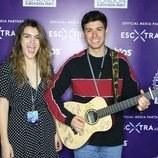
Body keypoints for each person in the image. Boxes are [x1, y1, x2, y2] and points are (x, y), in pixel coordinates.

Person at [44, 11, 150, 158]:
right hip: (82, 140)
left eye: (99, 29)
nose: (94, 35)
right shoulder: (74, 63)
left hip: (113, 141)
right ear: (83, 33)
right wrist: (69, 119)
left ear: (106, 30)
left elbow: (132, 96)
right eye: (89, 30)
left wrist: (140, 105)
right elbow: (50, 94)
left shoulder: (120, 61)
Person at [0, 19, 62, 158]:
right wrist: (4, 143)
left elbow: (52, 103)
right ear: (19, 41)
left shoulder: (47, 69)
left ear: (41, 42)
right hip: (19, 133)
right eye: (27, 36)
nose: (32, 42)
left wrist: (58, 132)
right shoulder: (6, 69)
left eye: (37, 37)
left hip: (46, 130)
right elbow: (2, 106)